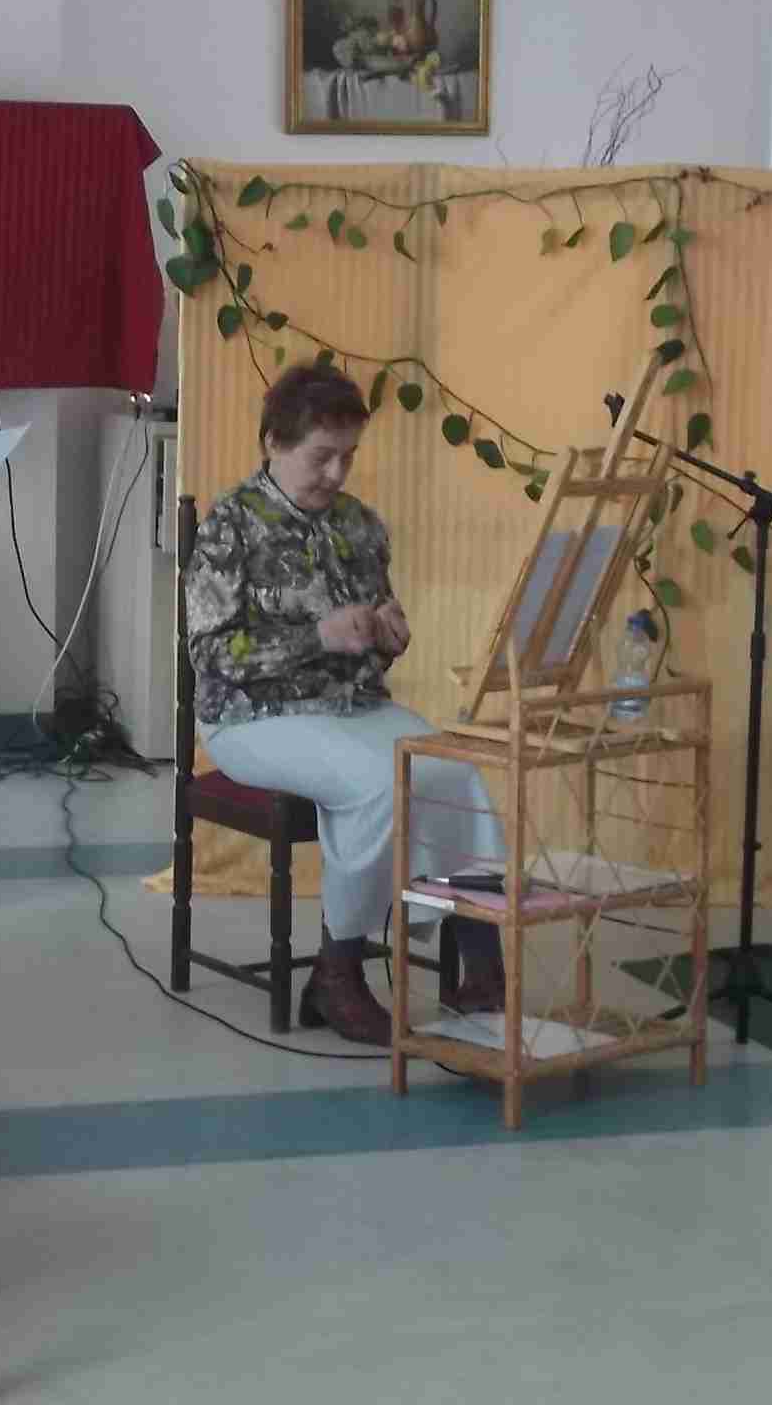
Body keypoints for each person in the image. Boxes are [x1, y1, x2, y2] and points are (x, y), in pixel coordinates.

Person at [184, 363, 506, 1046]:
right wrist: (318, 636)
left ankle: (481, 967)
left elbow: (378, 641)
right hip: (252, 718)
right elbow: (210, 655)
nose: (336, 473)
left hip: (349, 707)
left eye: (348, 457)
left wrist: (388, 635)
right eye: (321, 456)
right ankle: (338, 974)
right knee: (381, 780)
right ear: (274, 442)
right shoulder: (229, 526)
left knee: (457, 773)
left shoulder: (360, 524)